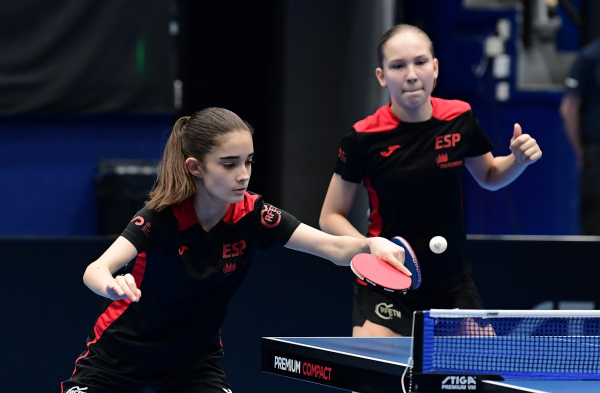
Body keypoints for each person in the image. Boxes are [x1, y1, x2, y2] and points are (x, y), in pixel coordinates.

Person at [61, 107, 410, 393]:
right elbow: (95, 269)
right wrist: (111, 284)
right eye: (229, 164)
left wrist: (370, 244)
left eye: (248, 161)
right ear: (195, 167)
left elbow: (333, 247)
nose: (243, 175)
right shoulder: (161, 218)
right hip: (120, 357)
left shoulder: (254, 214)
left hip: (191, 363)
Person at [319, 24, 542, 338]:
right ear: (382, 76)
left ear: (434, 69)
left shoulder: (459, 118)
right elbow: (330, 216)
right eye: (398, 66)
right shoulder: (363, 137)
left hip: (451, 284)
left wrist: (517, 161)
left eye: (420, 62)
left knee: (483, 377)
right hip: (388, 282)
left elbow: (490, 175)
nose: (411, 74)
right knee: (373, 381)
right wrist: (368, 246)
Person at [560, 37, 600, 235]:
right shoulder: (590, 57)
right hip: (596, 153)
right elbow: (569, 108)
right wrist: (581, 151)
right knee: (595, 222)